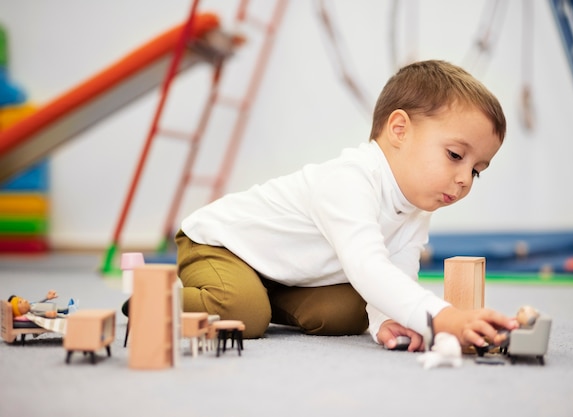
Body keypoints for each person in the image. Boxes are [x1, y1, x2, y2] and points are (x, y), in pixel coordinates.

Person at [176, 59, 518, 352]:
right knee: (243, 315)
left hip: (282, 273)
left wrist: (390, 320)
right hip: (221, 245)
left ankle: (261, 298)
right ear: (399, 130)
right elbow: (367, 265)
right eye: (455, 155)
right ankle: (155, 299)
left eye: (476, 170)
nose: (464, 179)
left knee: (352, 312)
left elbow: (397, 272)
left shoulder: (416, 208)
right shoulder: (349, 180)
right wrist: (444, 318)